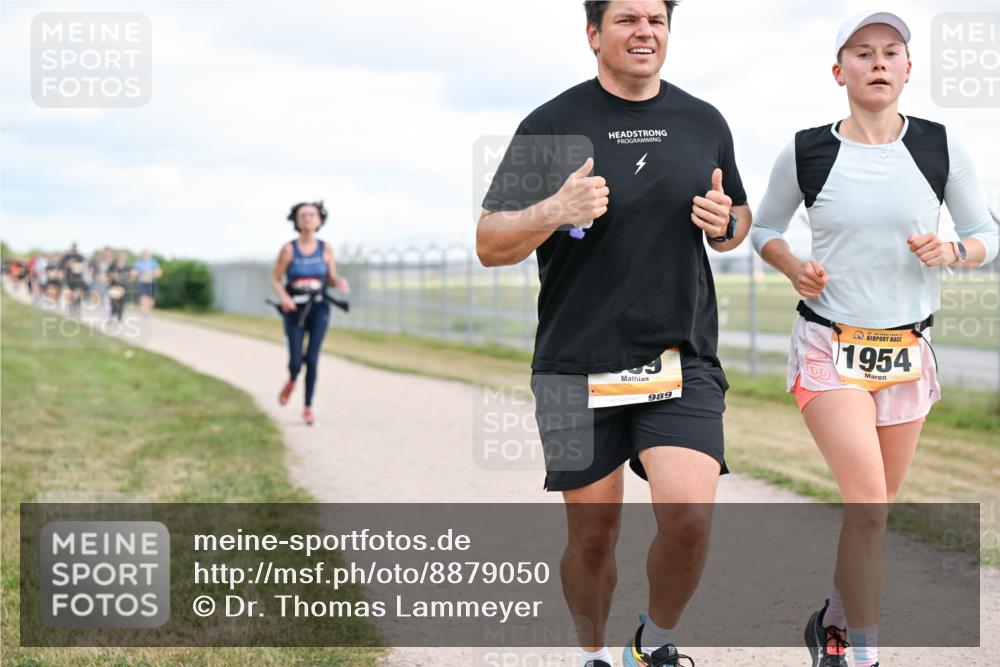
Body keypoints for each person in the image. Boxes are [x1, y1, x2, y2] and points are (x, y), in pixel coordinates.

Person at [477, 2, 752, 665]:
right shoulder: (551, 125)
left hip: (680, 358)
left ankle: (651, 644)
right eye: (627, 18)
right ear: (594, 33)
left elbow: (737, 219)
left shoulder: (704, 121)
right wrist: (555, 208)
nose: (644, 31)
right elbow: (490, 242)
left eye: (656, 19)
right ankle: (594, 653)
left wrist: (726, 225)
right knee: (594, 535)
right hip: (575, 364)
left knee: (689, 518)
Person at [749, 12, 998, 667]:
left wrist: (954, 250)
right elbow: (764, 227)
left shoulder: (940, 147)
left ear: (909, 69)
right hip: (828, 346)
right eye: (862, 53)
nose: (878, 62)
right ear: (840, 72)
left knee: (875, 513)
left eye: (891, 52)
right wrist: (791, 264)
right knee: (865, 506)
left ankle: (831, 623)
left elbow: (987, 234)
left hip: (907, 352)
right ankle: (862, 655)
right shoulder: (807, 151)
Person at [271, 201, 350, 426]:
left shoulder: (325, 248)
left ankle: (308, 407)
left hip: (319, 307)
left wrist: (338, 282)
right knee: (297, 360)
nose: (307, 218)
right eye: (303, 215)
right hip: (294, 309)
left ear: (320, 220)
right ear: (296, 221)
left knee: (313, 358)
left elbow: (330, 278)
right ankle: (292, 378)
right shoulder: (289, 249)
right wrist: (284, 298)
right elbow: (276, 279)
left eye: (312, 214)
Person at [59, 243, 87, 316]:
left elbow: (84, 264)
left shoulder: (79, 257)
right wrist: (67, 264)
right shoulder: (66, 257)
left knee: (78, 294)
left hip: (78, 279)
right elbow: (61, 267)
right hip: (69, 279)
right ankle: (71, 310)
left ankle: (77, 310)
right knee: (70, 295)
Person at [132, 249, 162, 315]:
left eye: (146, 254)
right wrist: (135, 274)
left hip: (151, 282)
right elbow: (133, 272)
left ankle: (148, 311)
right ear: (142, 254)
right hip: (142, 282)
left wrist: (153, 273)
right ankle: (143, 312)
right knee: (142, 297)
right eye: (144, 254)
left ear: (149, 255)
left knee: (150, 298)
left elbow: (159, 272)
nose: (145, 255)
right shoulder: (138, 262)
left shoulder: (153, 262)